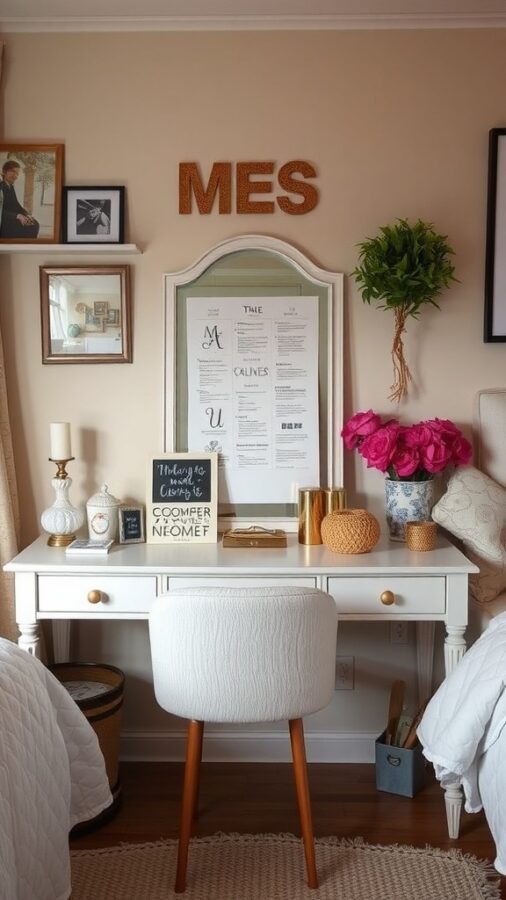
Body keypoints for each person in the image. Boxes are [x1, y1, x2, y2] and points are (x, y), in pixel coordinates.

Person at [0, 159, 39, 238]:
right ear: (4, 172)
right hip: (4, 222)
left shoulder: (10, 187)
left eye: (17, 173)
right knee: (29, 228)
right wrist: (17, 216)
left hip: (12, 219)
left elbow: (16, 205)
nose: (15, 176)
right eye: (13, 171)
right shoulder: (1, 187)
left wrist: (26, 214)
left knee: (35, 223)